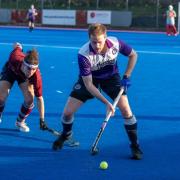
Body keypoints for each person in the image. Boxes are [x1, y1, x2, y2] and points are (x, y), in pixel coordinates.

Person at [52, 23, 143, 160]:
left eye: (100, 42)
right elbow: (88, 85)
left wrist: (127, 76)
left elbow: (133, 55)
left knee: (126, 110)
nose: (97, 46)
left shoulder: (115, 43)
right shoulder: (83, 54)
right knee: (67, 113)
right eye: (93, 42)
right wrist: (107, 103)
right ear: (89, 39)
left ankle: (135, 145)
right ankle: (66, 134)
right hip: (90, 80)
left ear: (105, 37)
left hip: (111, 78)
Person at [0, 42, 48, 132]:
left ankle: (20, 122)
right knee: (1, 97)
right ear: (23, 64)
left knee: (29, 99)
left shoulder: (36, 76)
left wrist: (42, 119)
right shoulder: (15, 57)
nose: (31, 72)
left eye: (34, 69)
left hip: (24, 78)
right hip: (10, 71)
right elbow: (17, 45)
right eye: (29, 68)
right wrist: (18, 45)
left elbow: (39, 99)